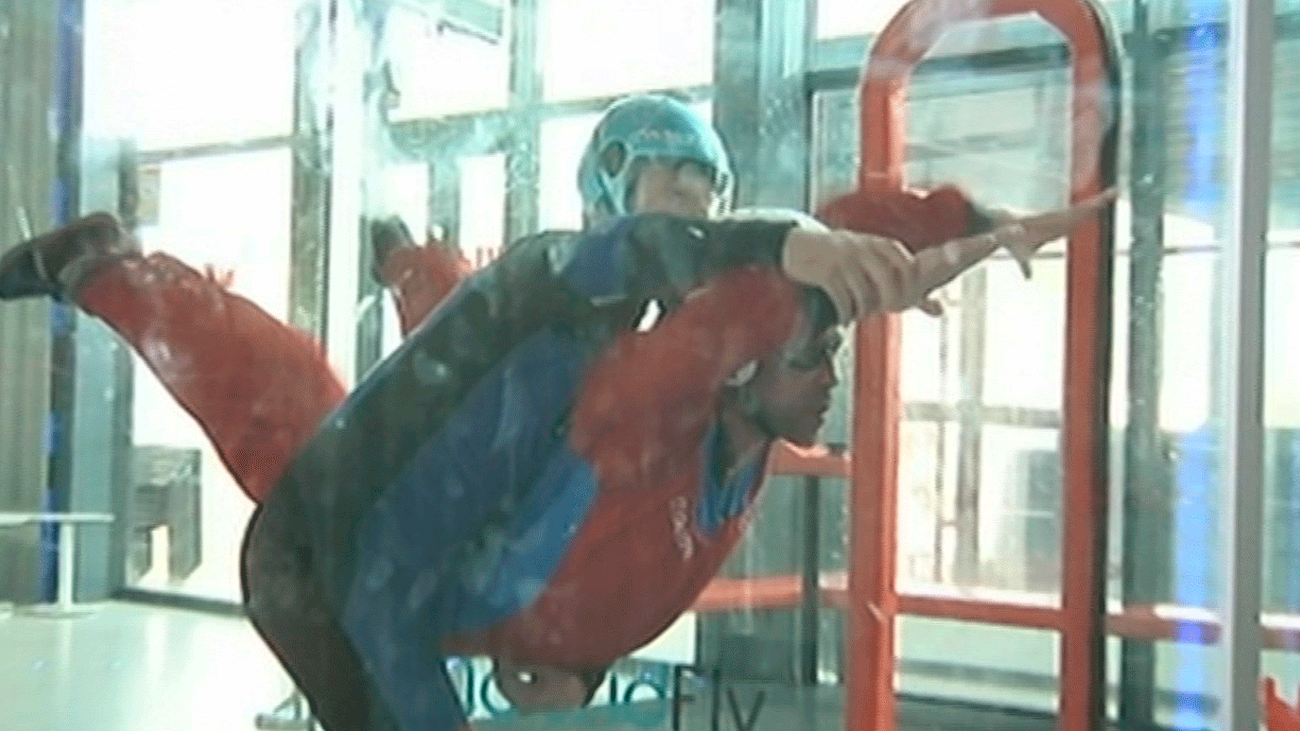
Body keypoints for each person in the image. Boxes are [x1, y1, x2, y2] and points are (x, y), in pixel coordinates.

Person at [0, 91, 1111, 730]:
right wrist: (821, 238)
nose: (695, 211)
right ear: (618, 190)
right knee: (282, 391)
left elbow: (773, 280)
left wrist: (961, 218)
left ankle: (149, 266)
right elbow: (718, 262)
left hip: (431, 527)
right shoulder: (601, 306)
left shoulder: (644, 357)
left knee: (321, 385)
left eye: (706, 193)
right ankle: (105, 266)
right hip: (343, 548)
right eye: (675, 185)